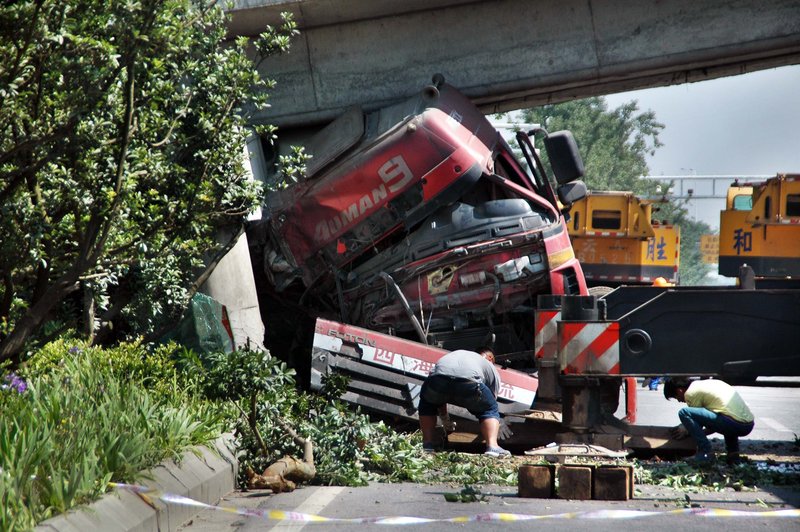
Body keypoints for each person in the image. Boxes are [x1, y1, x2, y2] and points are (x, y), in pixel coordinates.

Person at [418, 347, 510, 457]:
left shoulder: (457, 354)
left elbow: (437, 393)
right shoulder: (490, 366)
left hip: (438, 379)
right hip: (469, 381)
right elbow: (490, 401)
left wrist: (444, 417)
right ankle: (493, 447)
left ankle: (427, 445)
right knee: (490, 409)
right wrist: (497, 420)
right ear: (490, 359)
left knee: (427, 404)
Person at [663, 377, 755, 464]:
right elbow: (713, 426)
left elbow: (698, 424)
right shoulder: (705, 384)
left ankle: (706, 453)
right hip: (747, 425)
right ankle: (733, 455)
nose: (679, 400)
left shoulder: (691, 393)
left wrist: (686, 430)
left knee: (684, 412)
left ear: (679, 390)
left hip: (732, 423)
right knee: (726, 413)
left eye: (676, 397)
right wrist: (692, 432)